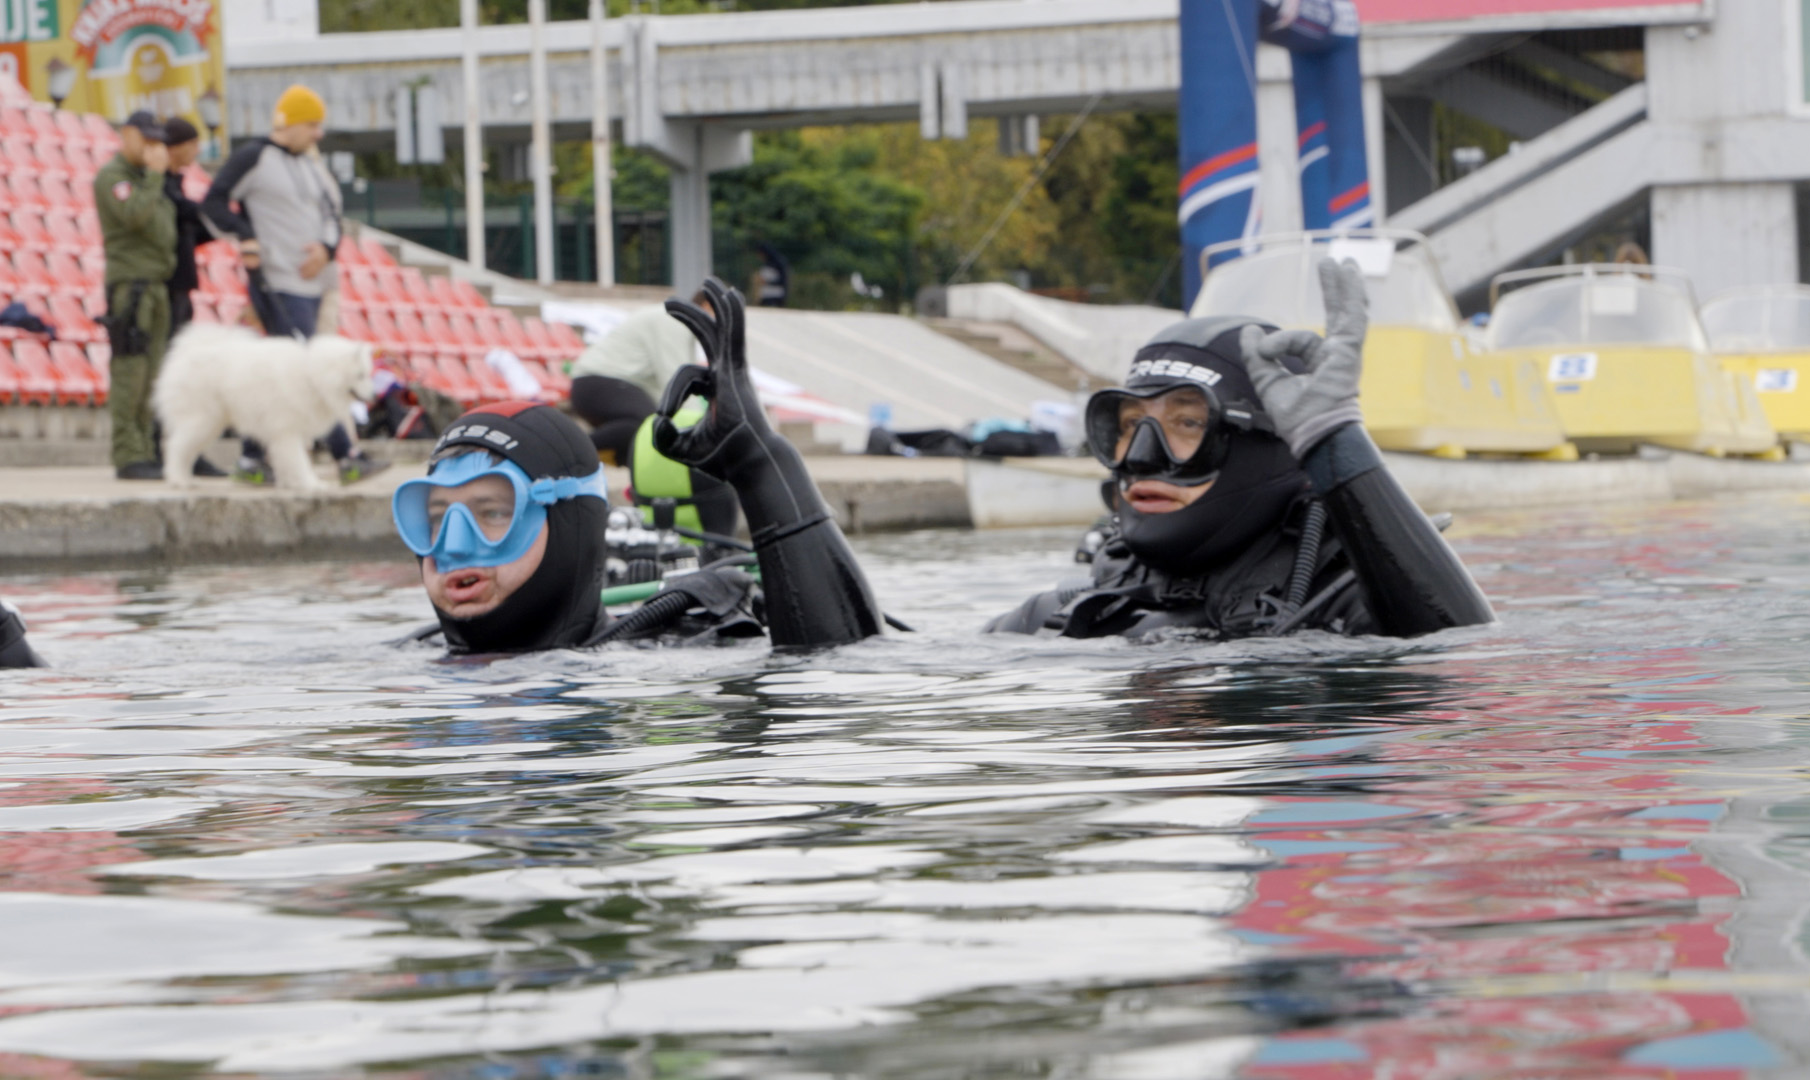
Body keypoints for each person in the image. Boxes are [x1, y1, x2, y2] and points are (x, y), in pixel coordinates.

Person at [987, 258, 1494, 640]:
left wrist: (1336, 439)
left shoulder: (1350, 612)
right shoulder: (1055, 615)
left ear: (1272, 446)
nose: (1142, 456)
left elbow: (1457, 658)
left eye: (1187, 422)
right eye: (1127, 424)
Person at [393, 279, 884, 654]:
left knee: (636, 420)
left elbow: (834, 676)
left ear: (569, 522)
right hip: (599, 380)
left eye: (493, 512)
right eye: (436, 517)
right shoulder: (407, 660)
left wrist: (763, 469)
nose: (451, 547)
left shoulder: (665, 656)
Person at [201, 82, 386, 486]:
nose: (318, 134)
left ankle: (252, 460)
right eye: (312, 125)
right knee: (312, 369)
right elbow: (213, 202)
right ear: (291, 123)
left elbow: (332, 214)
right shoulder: (254, 156)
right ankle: (347, 455)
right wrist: (244, 235)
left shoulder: (308, 165)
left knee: (279, 376)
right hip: (278, 280)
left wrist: (327, 246)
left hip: (316, 282)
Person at [568, 290, 739, 538]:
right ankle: (572, 452)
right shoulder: (674, 321)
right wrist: (698, 430)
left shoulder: (681, 328)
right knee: (646, 426)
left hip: (609, 383)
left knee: (647, 434)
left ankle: (636, 485)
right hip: (596, 382)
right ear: (704, 305)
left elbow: (672, 390)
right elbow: (677, 381)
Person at [94, 111, 175, 481]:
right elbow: (136, 218)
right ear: (127, 135)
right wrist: (157, 176)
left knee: (153, 372)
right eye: (147, 139)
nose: (154, 148)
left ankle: (144, 448)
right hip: (132, 287)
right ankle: (128, 452)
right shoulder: (115, 178)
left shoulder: (147, 182)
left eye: (159, 141)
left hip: (156, 285)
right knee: (132, 371)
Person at [157, 116, 227, 478]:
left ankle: (187, 449)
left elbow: (189, 229)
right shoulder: (159, 184)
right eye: (192, 143)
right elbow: (177, 219)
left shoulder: (174, 185)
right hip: (164, 285)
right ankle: (166, 449)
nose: (197, 151)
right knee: (167, 368)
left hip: (181, 283)